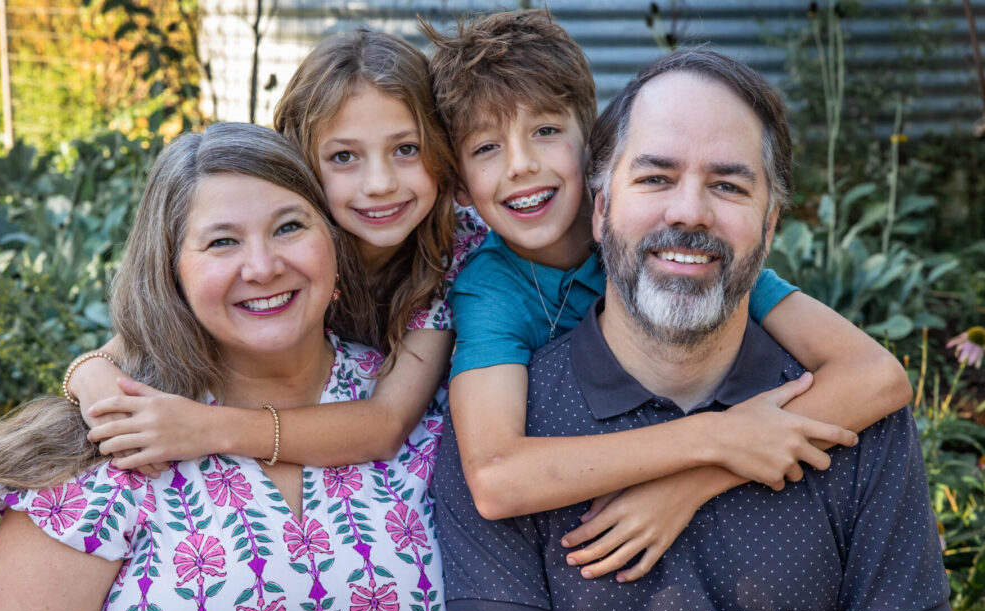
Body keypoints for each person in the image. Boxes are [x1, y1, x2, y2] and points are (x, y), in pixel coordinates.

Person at [76, 15, 905, 582]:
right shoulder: (429, 268)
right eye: (485, 147)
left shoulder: (653, 239)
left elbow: (877, 376)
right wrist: (87, 376)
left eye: (548, 132)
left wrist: (700, 469)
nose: (523, 168)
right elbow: (129, 345)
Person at [432, 49, 951, 611]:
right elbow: (495, 476)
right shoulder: (507, 410)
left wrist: (694, 478)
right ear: (602, 206)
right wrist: (716, 439)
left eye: (728, 185)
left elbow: (879, 377)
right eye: (655, 178)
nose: (688, 212)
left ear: (768, 225)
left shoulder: (844, 413)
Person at [0, 124, 453, 611]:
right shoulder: (105, 445)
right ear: (171, 271)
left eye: (290, 227)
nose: (263, 266)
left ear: (336, 243)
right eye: (222, 241)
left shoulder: (427, 411)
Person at [64, 29, 485, 478]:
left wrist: (205, 428)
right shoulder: (290, 247)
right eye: (344, 156)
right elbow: (115, 351)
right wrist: (90, 376)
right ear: (300, 162)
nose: (379, 183)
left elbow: (384, 424)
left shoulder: (451, 252)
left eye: (406, 149)